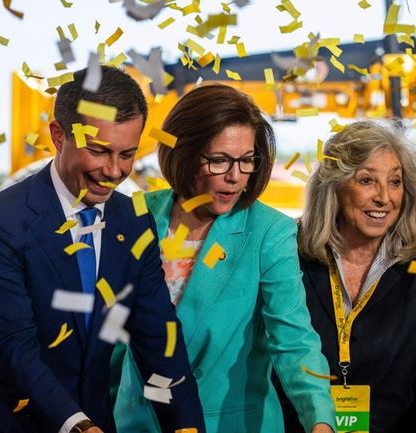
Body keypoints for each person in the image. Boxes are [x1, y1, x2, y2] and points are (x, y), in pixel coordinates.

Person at [0, 65, 205, 433]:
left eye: (127, 154)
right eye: (100, 151)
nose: (115, 171)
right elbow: (13, 352)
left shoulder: (134, 222)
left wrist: (186, 428)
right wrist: (76, 425)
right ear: (58, 135)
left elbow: (158, 341)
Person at [111, 83, 335, 433]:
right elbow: (112, 335)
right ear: (183, 152)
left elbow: (294, 341)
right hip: (137, 424)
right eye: (219, 160)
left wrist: (321, 420)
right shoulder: (135, 215)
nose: (235, 176)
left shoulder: (269, 232)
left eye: (247, 160)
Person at [278, 121, 416, 432]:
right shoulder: (287, 256)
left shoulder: (412, 268)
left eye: (395, 182)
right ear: (335, 187)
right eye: (367, 180)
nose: (384, 197)